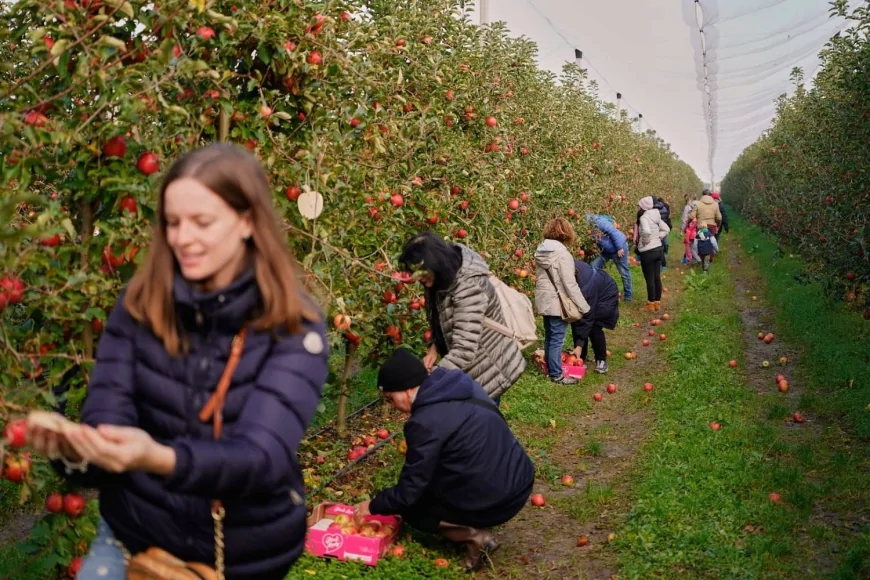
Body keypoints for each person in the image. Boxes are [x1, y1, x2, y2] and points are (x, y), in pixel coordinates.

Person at [25, 144, 329, 580]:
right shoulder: (139, 308)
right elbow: (108, 417)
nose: (182, 238)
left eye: (202, 222)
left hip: (245, 552)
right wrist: (75, 452)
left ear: (247, 221)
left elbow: (261, 459)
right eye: (172, 222)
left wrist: (157, 457)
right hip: (137, 534)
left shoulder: (294, 328)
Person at [354, 348, 534, 573]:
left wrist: (373, 505)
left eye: (391, 399)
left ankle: (477, 537)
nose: (393, 407)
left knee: (413, 507)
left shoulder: (424, 423)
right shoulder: (459, 384)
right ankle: (475, 513)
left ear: (409, 389)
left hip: (498, 499)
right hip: (520, 478)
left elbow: (409, 493)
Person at [399, 232, 526, 403]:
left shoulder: (468, 286)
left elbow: (464, 350)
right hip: (470, 367)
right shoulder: (440, 277)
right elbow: (445, 317)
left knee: (480, 424)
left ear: (434, 262)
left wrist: (428, 382)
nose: (418, 278)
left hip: (488, 370)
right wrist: (435, 347)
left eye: (421, 272)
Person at [534, 218, 591, 384]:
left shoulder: (541, 251)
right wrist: (583, 306)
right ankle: (557, 375)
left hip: (544, 300)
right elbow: (569, 284)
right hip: (557, 302)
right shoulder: (563, 254)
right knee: (557, 339)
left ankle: (552, 370)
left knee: (550, 337)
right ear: (566, 233)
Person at [570, 260, 619, 374]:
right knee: (576, 319)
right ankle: (581, 356)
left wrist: (579, 344)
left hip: (606, 295)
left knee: (594, 326)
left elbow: (588, 317)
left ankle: (601, 360)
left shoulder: (585, 287)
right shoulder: (566, 265)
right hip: (595, 288)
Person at [633, 196, 670, 312]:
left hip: (648, 252)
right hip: (658, 249)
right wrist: (659, 236)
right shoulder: (656, 215)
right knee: (657, 277)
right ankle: (657, 303)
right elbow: (666, 229)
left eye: (639, 206)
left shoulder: (644, 218)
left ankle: (650, 303)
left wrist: (645, 241)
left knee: (649, 278)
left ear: (643, 207)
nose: (638, 208)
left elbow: (647, 231)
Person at [586, 213, 632, 302]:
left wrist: (619, 248)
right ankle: (598, 291)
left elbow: (613, 232)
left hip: (618, 248)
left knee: (623, 272)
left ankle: (628, 296)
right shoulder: (590, 227)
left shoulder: (599, 222)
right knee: (593, 266)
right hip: (606, 250)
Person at [653, 197, 672, 269]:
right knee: (664, 239)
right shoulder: (665, 207)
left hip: (657, 227)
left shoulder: (654, 209)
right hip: (664, 225)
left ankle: (661, 264)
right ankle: (665, 250)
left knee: (658, 245)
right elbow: (667, 215)